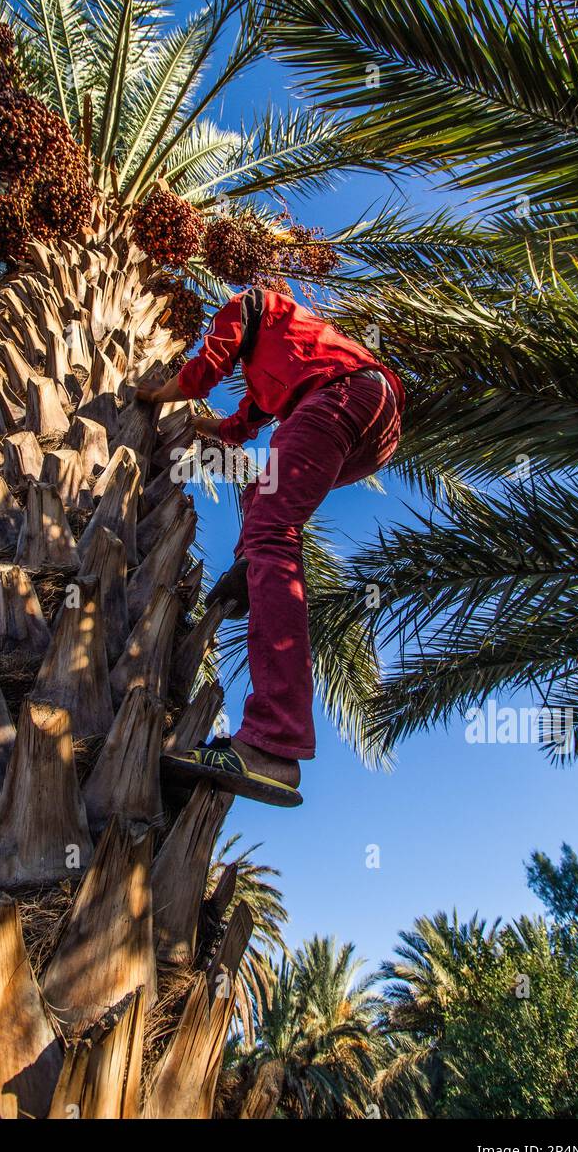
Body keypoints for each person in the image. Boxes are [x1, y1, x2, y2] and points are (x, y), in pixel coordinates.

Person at [137, 284, 403, 807]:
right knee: (265, 486)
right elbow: (241, 425)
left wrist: (152, 395)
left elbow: (204, 369)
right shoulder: (282, 363)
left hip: (343, 396)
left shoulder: (248, 303)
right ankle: (248, 567)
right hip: (374, 421)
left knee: (272, 531)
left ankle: (272, 743)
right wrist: (201, 425)